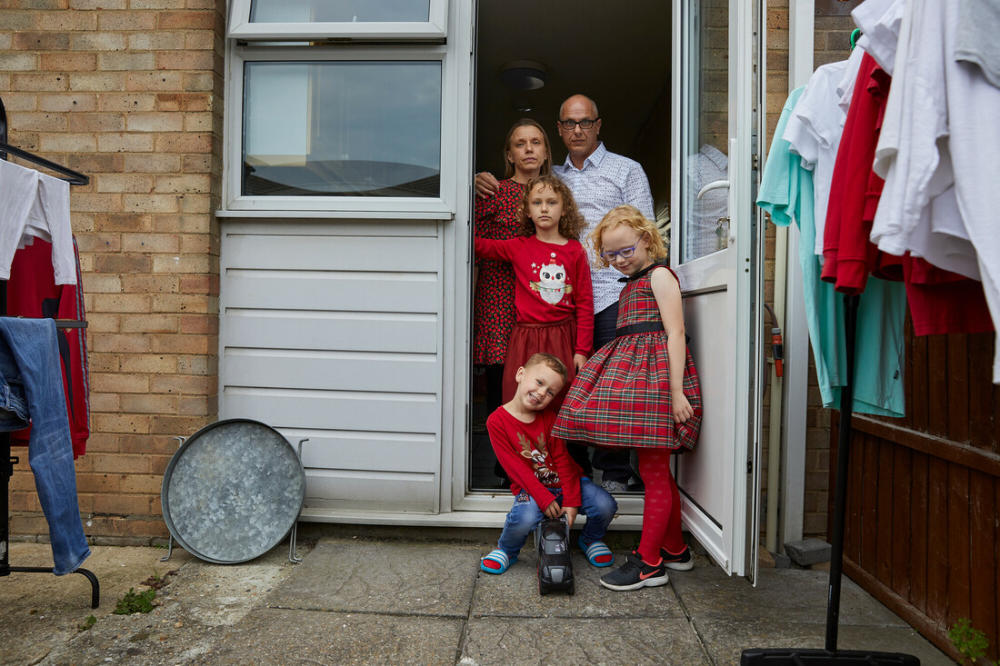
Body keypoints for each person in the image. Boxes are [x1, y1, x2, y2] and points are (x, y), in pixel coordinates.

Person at [477, 94, 654, 492]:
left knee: (607, 384)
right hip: (551, 303)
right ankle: (554, 468)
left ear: (598, 125)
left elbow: (646, 234)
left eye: (585, 122)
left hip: (611, 291)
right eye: (569, 124)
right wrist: (474, 181)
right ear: (559, 130)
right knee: (554, 389)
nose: (577, 130)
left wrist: (647, 287)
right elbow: (515, 189)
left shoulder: (625, 170)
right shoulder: (550, 178)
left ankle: (611, 469)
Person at [553, 206, 703, 592]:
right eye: (610, 254)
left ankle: (649, 563)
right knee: (656, 471)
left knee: (653, 473)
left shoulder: (659, 276)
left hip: (657, 385)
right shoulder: (631, 283)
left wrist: (675, 393)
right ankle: (673, 548)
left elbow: (674, 334)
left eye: (625, 250)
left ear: (648, 240)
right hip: (640, 383)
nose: (618, 260)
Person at [480, 353, 618, 574]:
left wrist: (571, 502)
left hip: (566, 481)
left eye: (550, 392)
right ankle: (507, 549)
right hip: (532, 489)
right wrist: (544, 499)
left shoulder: (550, 418)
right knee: (524, 517)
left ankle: (591, 539)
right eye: (539, 382)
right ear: (520, 374)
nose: (542, 393)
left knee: (604, 505)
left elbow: (563, 460)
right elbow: (515, 469)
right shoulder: (497, 421)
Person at [474, 174, 593, 407]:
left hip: (562, 337)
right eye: (537, 203)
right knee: (519, 398)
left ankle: (553, 445)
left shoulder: (575, 251)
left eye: (552, 202)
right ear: (527, 211)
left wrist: (581, 350)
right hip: (525, 338)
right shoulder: (519, 247)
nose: (544, 208)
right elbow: (477, 244)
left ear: (564, 208)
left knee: (558, 400)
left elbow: (585, 304)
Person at [473, 119, 553, 421]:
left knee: (539, 372)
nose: (529, 149)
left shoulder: (554, 194)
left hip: (541, 295)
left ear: (546, 152)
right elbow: (471, 247)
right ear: (509, 155)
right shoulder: (493, 191)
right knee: (502, 377)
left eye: (536, 142)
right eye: (520, 144)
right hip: (499, 296)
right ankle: (501, 458)